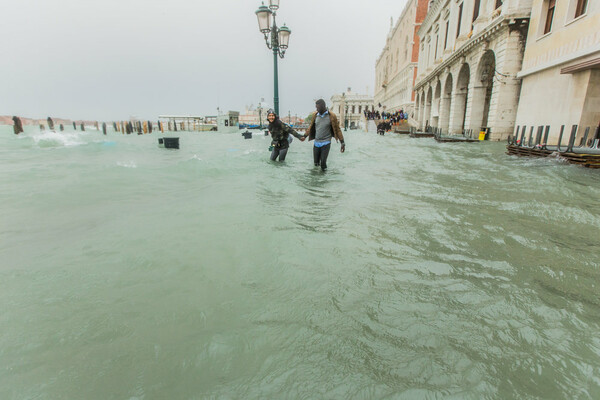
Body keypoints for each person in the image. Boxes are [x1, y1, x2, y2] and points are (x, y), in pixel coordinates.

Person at [303, 99, 345, 171]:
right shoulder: (315, 115)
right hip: (316, 143)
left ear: (323, 106)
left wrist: (342, 142)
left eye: (318, 108)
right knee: (316, 164)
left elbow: (338, 129)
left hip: (326, 142)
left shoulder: (332, 116)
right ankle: (317, 179)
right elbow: (311, 126)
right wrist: (304, 136)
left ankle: (324, 180)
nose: (317, 109)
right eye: (316, 107)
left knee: (323, 163)